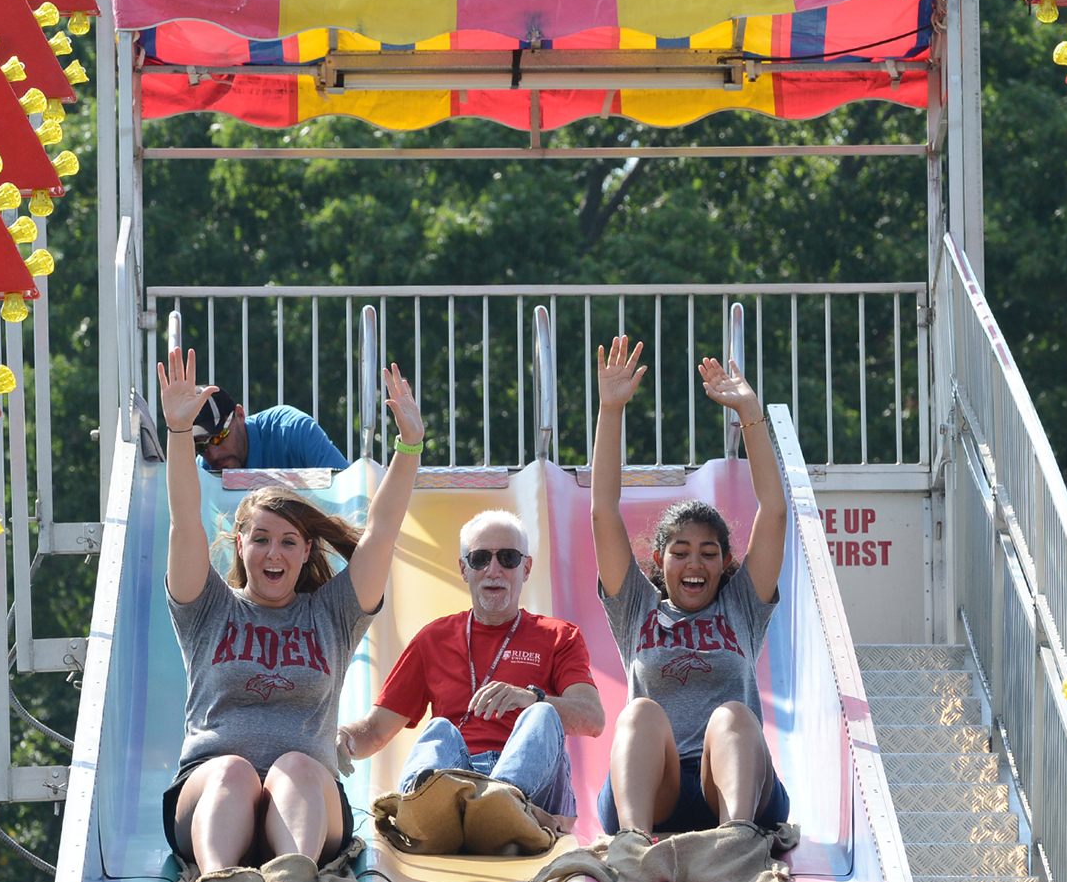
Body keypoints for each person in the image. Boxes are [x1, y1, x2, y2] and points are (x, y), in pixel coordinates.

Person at [157, 346, 423, 873]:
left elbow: (381, 531)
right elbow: (186, 521)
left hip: (308, 802)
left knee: (296, 766)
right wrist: (180, 434)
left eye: (287, 542)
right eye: (260, 540)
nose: (273, 553)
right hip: (208, 795)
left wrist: (409, 444)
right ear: (239, 545)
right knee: (232, 771)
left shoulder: (332, 615)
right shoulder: (208, 609)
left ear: (307, 552)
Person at [589, 335, 790, 838]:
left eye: (708, 553)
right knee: (639, 713)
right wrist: (610, 410)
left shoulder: (741, 607)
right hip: (654, 790)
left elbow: (775, 511)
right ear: (659, 560)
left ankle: (737, 841)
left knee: (732, 717)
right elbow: (603, 512)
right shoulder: (636, 608)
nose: (694, 564)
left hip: (732, 786)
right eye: (681, 553)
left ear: (726, 564)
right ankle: (632, 846)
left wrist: (750, 414)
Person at [338, 510, 604, 819]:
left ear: (526, 568)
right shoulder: (433, 639)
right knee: (438, 730)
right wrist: (342, 737)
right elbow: (374, 732)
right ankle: (424, 807)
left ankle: (501, 807)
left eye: (508, 558)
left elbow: (593, 719)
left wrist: (532, 698)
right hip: (460, 781)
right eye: (480, 559)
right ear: (464, 569)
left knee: (542, 714)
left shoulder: (559, 636)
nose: (494, 570)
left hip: (533, 789)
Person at [191, 388, 351, 473]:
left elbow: (347, 491)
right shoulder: (203, 469)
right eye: (201, 447)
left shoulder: (293, 431)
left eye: (219, 438)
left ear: (240, 415)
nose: (213, 455)